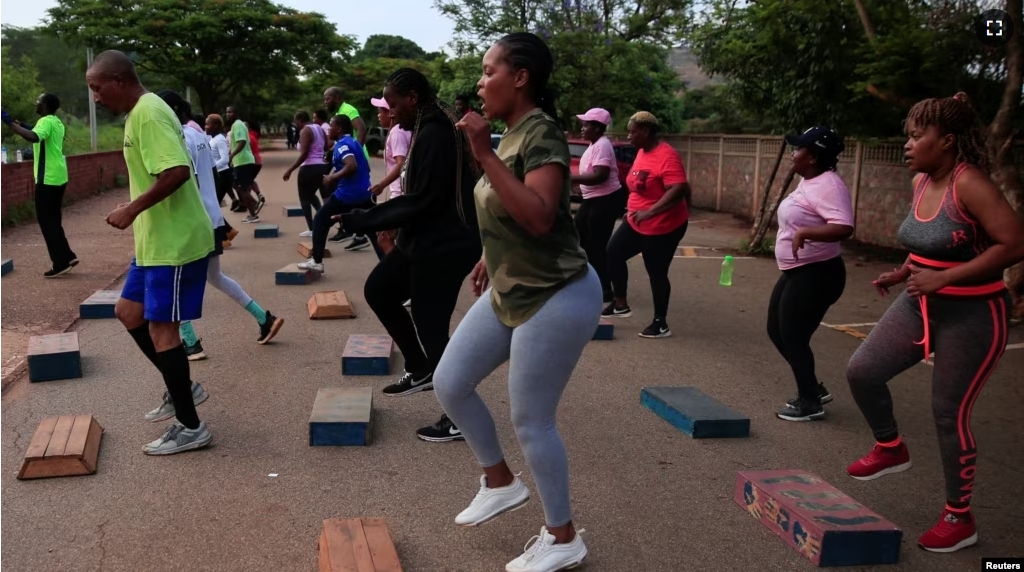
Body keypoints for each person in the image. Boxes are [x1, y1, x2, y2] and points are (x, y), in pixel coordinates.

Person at [434, 32, 599, 572]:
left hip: (558, 292)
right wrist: (489, 252)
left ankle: (563, 537)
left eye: (489, 71)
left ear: (520, 77)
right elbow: (505, 210)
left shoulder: (541, 133)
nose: (481, 83)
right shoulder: (508, 135)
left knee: (532, 421)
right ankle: (499, 481)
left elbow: (540, 215)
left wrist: (481, 153)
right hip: (511, 284)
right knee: (449, 382)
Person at [845, 93, 1024, 553]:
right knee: (862, 371)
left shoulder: (973, 184)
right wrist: (905, 270)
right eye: (907, 135)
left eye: (916, 135)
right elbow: (933, 241)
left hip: (974, 312)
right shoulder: (923, 180)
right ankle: (890, 447)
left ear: (946, 141)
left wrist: (943, 278)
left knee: (948, 413)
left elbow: (1013, 244)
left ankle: (959, 518)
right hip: (920, 300)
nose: (907, 144)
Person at [332, 68, 481, 437]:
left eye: (395, 104)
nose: (391, 112)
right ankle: (420, 367)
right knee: (380, 290)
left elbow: (424, 200)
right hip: (424, 239)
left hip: (446, 244)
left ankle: (460, 416)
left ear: (413, 98)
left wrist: (364, 218)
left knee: (432, 326)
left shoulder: (435, 133)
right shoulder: (427, 125)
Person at [86, 50, 213, 455]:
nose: (95, 97)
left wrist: (131, 209)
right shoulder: (139, 112)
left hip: (174, 243)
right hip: (154, 241)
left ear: (119, 81)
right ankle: (183, 388)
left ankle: (191, 426)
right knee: (128, 311)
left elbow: (176, 171)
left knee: (163, 331)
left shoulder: (149, 112)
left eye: (97, 88)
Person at [157, 89, 285, 362]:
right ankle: (264, 318)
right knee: (215, 277)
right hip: (210, 217)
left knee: (178, 282)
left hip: (192, 221)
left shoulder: (179, 138)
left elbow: (179, 179)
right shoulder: (199, 137)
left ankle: (190, 342)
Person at [769, 126, 854, 422]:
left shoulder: (829, 185)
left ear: (814, 156)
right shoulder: (810, 180)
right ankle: (813, 388)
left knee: (793, 334)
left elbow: (843, 227)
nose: (794, 154)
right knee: (776, 329)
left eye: (799, 149)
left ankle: (810, 401)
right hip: (798, 271)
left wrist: (806, 231)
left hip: (818, 273)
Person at [603, 111, 691, 339]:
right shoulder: (642, 152)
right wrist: (633, 208)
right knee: (613, 252)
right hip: (637, 220)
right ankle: (620, 303)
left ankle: (660, 323)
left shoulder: (667, 155)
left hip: (663, 225)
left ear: (646, 131)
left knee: (656, 271)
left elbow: (677, 188)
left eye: (633, 132)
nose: (629, 136)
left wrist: (650, 211)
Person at [2, 94, 79, 277]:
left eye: (38, 101)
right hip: (59, 176)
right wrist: (20, 125)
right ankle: (67, 256)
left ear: (44, 105)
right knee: (54, 219)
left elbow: (34, 137)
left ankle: (60, 263)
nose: (36, 103)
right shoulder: (56, 121)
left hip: (48, 178)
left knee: (47, 222)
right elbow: (40, 134)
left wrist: (8, 123)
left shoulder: (44, 121)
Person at [298, 115, 381, 272]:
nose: (329, 129)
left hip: (347, 195)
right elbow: (365, 168)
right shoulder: (355, 143)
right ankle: (388, 264)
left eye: (331, 125)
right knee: (373, 231)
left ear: (340, 129)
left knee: (320, 219)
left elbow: (351, 165)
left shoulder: (342, 145)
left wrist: (332, 177)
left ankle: (316, 261)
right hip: (365, 193)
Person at [571, 107, 626, 303]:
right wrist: (579, 186)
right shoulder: (593, 146)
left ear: (597, 127)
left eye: (586, 125)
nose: (583, 128)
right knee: (579, 240)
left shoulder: (603, 145)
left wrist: (571, 178)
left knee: (596, 246)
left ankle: (604, 289)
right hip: (593, 200)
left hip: (605, 200)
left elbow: (600, 175)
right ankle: (589, 284)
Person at [367, 94, 411, 255]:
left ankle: (393, 273)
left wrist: (381, 184)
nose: (378, 115)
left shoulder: (397, 133)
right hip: (402, 194)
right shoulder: (402, 130)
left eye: (380, 111)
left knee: (385, 237)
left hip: (399, 195)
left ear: (390, 113)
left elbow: (401, 163)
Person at [283, 111, 329, 237]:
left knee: (304, 198)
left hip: (309, 167)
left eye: (296, 121)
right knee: (311, 195)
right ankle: (322, 219)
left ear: (300, 120)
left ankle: (312, 228)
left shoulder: (305, 131)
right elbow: (326, 146)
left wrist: (290, 170)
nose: (296, 124)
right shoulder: (319, 128)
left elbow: (304, 154)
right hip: (321, 166)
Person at [205, 113, 239, 246]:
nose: (206, 127)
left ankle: (223, 238)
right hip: (217, 175)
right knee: (213, 208)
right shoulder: (212, 139)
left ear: (217, 126)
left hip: (222, 175)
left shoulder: (220, 140)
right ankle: (228, 231)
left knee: (212, 208)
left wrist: (210, 167)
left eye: (208, 124)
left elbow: (225, 159)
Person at [225, 105, 260, 223]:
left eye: (230, 112)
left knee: (242, 188)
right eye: (227, 112)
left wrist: (231, 155)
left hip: (243, 161)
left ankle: (254, 209)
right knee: (236, 186)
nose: (228, 114)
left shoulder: (238, 125)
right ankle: (253, 210)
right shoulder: (237, 125)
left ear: (235, 113)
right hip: (240, 161)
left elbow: (242, 142)